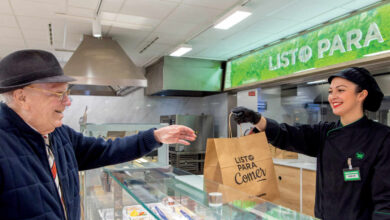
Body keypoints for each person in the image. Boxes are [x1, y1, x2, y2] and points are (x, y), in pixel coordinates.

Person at [0, 50, 197, 220]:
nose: (67, 102)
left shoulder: (59, 135)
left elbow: (106, 150)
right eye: (58, 94)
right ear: (22, 97)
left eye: (67, 93)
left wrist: (154, 137)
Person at [231, 67, 390, 220]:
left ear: (361, 95)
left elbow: (385, 200)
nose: (333, 96)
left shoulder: (382, 137)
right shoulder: (324, 133)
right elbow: (287, 135)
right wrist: (256, 119)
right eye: (330, 91)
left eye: (340, 90)